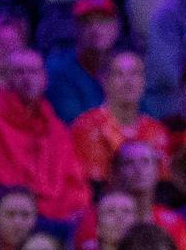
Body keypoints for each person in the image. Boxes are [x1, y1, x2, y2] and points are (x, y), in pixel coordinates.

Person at [0, 48, 91, 226]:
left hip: (59, 219)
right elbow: (5, 183)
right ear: (4, 79)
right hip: (10, 219)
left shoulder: (56, 128)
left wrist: (72, 211)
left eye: (34, 72)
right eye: (19, 72)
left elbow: (74, 182)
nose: (27, 78)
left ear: (45, 79)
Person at [70, 51, 171, 184]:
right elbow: (93, 184)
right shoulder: (86, 127)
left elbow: (163, 182)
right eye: (119, 74)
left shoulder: (157, 130)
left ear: (144, 80)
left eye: (135, 74)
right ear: (103, 80)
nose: (128, 82)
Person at [44, 0, 122, 124]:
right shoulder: (59, 71)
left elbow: (143, 116)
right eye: (87, 23)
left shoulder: (127, 66)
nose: (95, 30)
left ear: (116, 27)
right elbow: (75, 124)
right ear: (75, 28)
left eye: (103, 22)